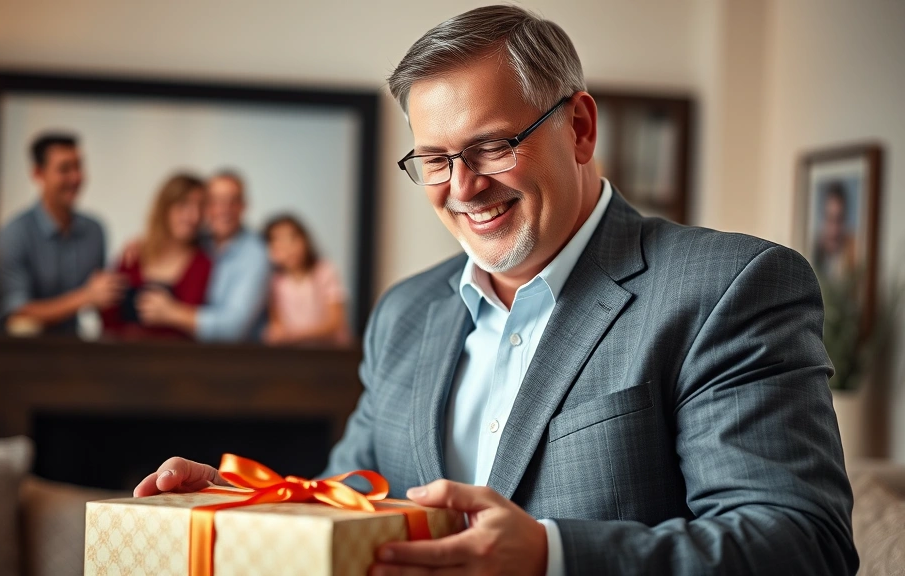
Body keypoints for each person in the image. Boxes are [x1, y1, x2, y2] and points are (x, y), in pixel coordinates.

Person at [134, 6, 856, 575]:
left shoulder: (731, 287)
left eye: (492, 146)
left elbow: (798, 544)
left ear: (578, 127)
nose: (464, 186)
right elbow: (350, 495)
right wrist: (240, 504)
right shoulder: (405, 313)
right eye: (436, 159)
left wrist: (551, 558)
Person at [0, 132, 125, 335]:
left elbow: (104, 302)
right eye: (64, 169)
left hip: (74, 353)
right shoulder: (14, 234)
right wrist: (85, 296)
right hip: (22, 355)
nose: (76, 177)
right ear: (38, 173)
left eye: (78, 166)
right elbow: (18, 313)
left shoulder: (94, 230)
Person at [125, 171, 271, 341]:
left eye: (233, 201)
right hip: (188, 353)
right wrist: (142, 244)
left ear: (244, 206)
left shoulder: (255, 255)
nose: (224, 209)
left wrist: (172, 313)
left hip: (237, 358)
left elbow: (234, 328)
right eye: (215, 201)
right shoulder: (201, 241)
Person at [101, 174, 212, 340]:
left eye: (200, 207)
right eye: (183, 205)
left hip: (176, 360)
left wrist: (172, 313)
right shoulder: (133, 255)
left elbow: (203, 328)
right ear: (165, 208)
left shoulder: (204, 263)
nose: (194, 216)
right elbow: (109, 318)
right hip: (125, 357)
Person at [262, 214, 351, 346]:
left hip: (331, 351)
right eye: (278, 241)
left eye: (293, 238)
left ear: (305, 239)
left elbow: (335, 323)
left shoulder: (324, 271)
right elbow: (276, 327)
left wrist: (292, 335)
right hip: (294, 354)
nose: (288, 247)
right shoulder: (274, 281)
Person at [812, 180, 858, 282]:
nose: (834, 230)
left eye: (839, 219)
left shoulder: (853, 254)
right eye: (829, 219)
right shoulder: (814, 250)